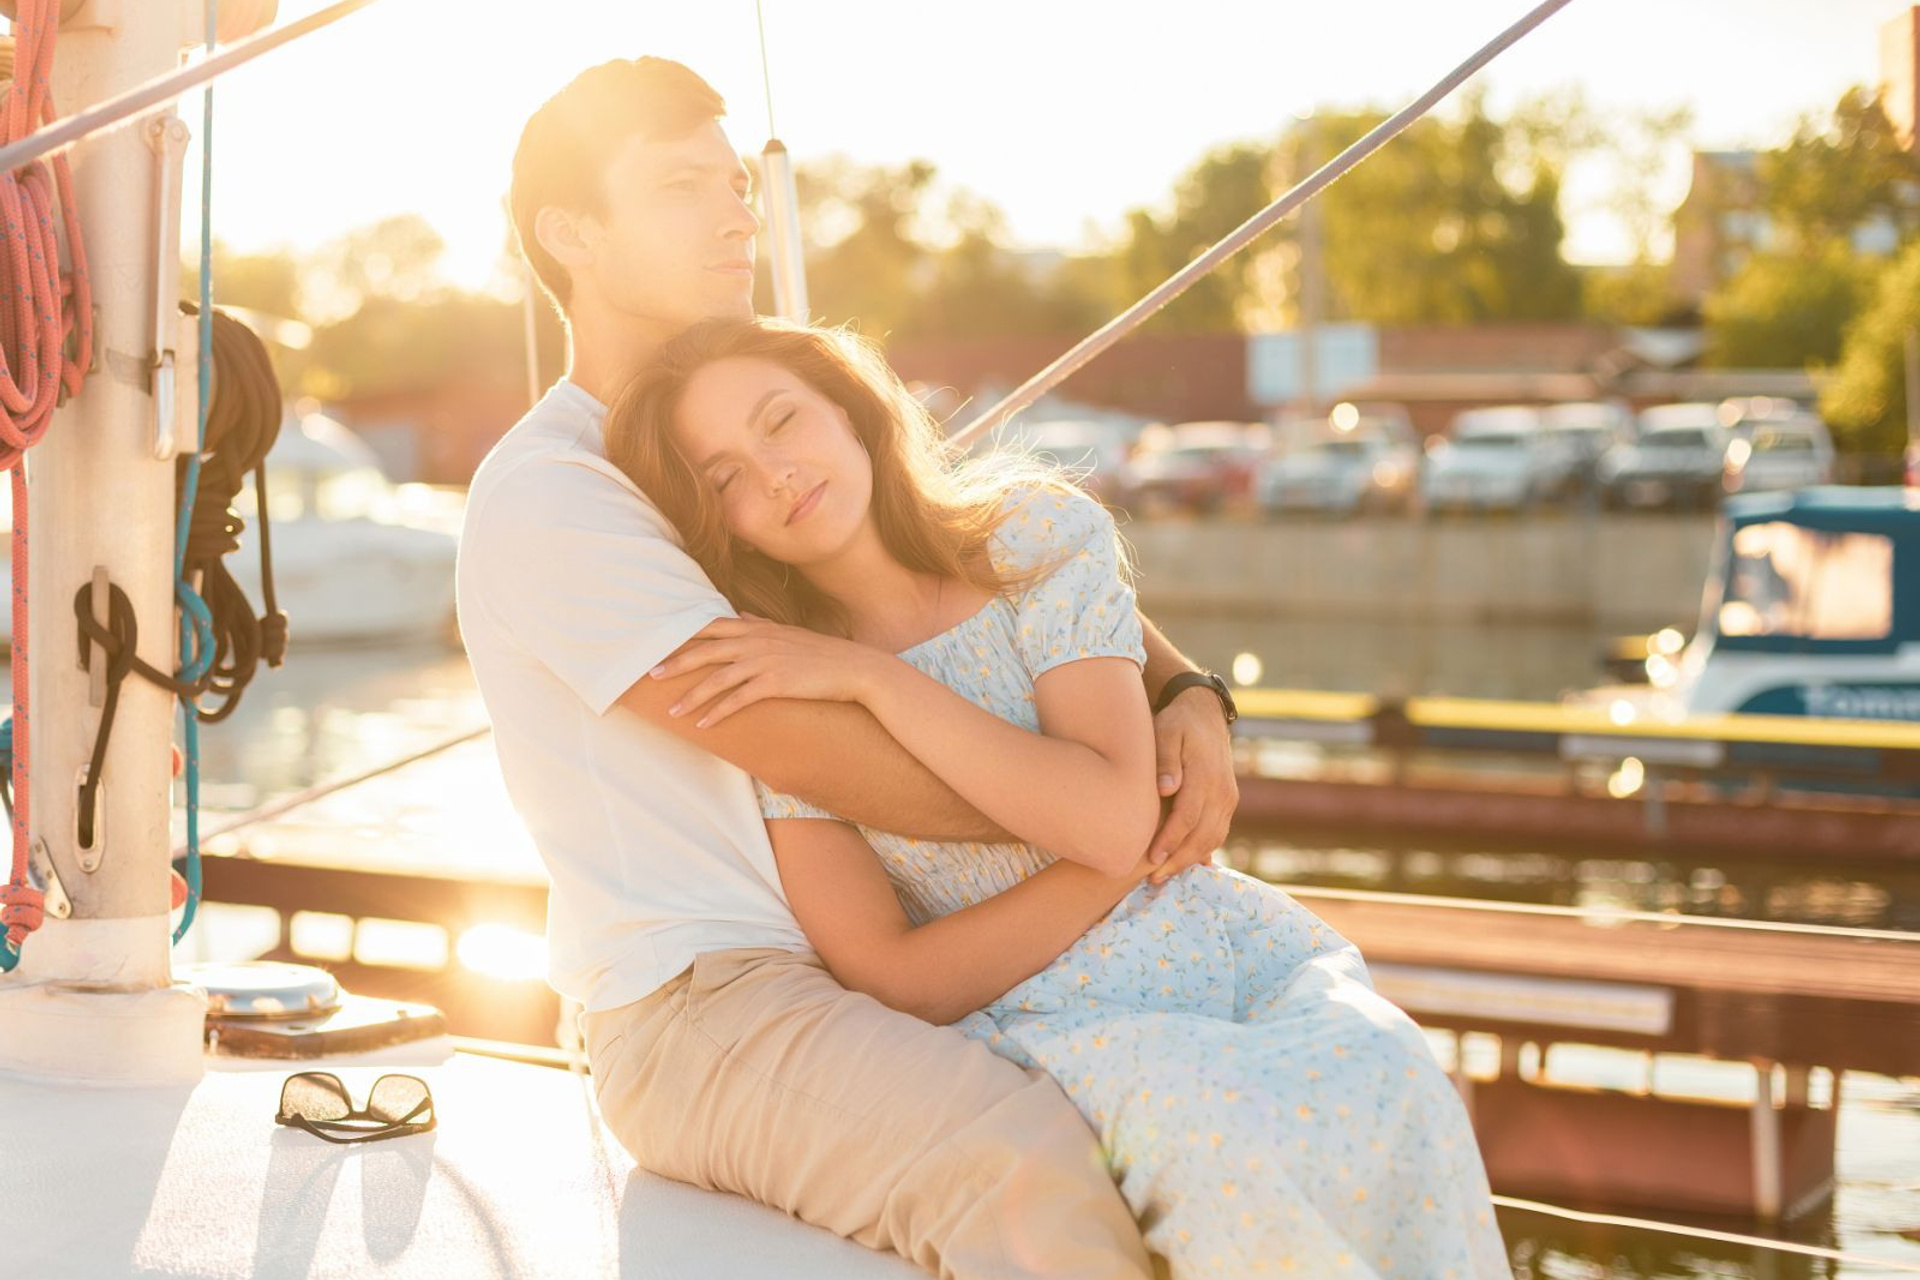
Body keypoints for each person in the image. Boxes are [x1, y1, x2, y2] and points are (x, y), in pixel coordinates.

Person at [458, 56, 1242, 1278]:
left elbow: (978, 553)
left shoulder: (760, 407)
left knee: (1217, 1110)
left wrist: (1185, 693)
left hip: (885, 953)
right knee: (1025, 1164)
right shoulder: (557, 492)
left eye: (736, 184)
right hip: (706, 998)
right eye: (680, 187)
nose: (736, 214)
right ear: (574, 235)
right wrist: (1108, 807)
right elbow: (817, 753)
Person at [602, 315, 1513, 1279]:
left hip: (1223, 952)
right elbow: (893, 974)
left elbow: (1110, 813)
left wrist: (879, 682)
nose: (773, 474)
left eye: (781, 421)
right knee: (1215, 1144)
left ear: (852, 409)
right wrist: (1121, 850)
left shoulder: (1031, 536)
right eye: (725, 477)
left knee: (1395, 1076)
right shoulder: (777, 682)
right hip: (1043, 1029)